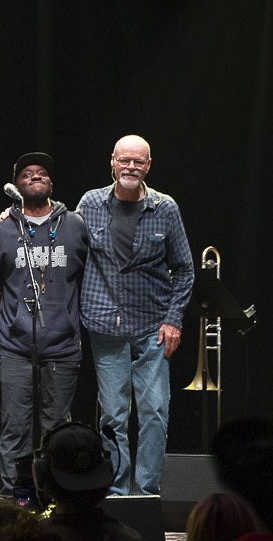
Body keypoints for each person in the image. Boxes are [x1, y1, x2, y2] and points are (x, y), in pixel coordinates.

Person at [78, 134, 193, 495]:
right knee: (113, 414)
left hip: (152, 325)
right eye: (124, 160)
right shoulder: (90, 203)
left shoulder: (165, 208)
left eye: (138, 161)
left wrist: (173, 320)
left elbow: (185, 269)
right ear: (112, 162)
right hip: (104, 324)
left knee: (155, 411)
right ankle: (116, 493)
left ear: (148, 166)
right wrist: (15, 216)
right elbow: (62, 241)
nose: (130, 167)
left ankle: (147, 493)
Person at [0, 152, 89, 504]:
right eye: (27, 173)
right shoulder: (1, 230)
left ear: (52, 183)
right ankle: (14, 501)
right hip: (14, 345)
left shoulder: (75, 225)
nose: (35, 176)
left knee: (57, 431)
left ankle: (57, 501)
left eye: (42, 172)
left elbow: (91, 275)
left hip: (62, 345)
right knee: (14, 429)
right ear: (16, 185)